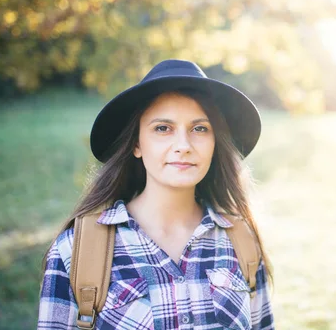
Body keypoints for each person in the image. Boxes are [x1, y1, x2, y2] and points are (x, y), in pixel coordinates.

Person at [38, 59, 274, 329]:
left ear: (214, 143)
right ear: (137, 144)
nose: (183, 145)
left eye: (200, 128)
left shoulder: (242, 242)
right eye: (163, 128)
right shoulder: (76, 251)